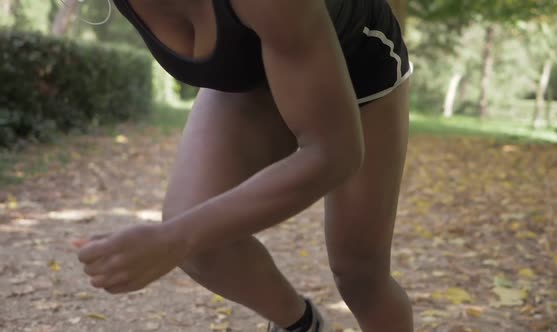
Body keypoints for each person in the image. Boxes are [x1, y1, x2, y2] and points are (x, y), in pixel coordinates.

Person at [75, 0, 414, 331]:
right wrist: (179, 236)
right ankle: (301, 326)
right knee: (198, 233)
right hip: (253, 69)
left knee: (358, 273)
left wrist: (172, 240)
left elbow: (334, 154)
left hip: (361, 66)